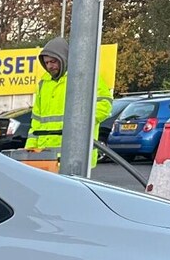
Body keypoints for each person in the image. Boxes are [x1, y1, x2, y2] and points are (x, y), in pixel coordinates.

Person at [23, 36, 113, 168]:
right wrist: (30, 151)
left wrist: (81, 124)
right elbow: (36, 122)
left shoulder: (83, 77)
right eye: (46, 63)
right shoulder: (44, 84)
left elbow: (105, 104)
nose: (49, 66)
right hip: (46, 156)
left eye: (53, 61)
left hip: (75, 154)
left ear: (64, 58)